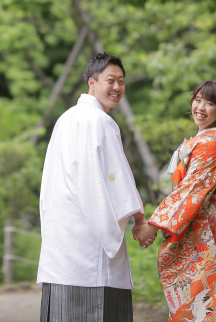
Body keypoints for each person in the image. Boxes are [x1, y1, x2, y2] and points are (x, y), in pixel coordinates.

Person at [37, 52, 148, 322]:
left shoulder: (65, 118)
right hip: (90, 246)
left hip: (61, 243)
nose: (117, 87)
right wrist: (140, 220)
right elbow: (116, 178)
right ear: (92, 82)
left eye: (122, 81)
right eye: (110, 80)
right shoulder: (101, 121)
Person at [133, 80, 216, 322]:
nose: (200, 107)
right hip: (214, 233)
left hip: (206, 236)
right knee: (214, 301)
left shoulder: (210, 143)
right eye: (197, 100)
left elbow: (192, 189)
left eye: (209, 103)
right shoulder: (213, 141)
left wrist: (155, 225)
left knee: (203, 303)